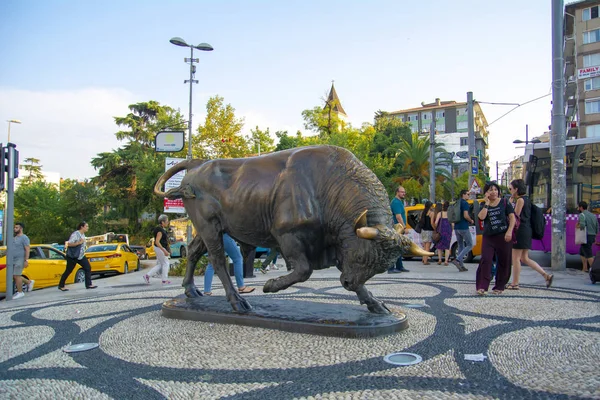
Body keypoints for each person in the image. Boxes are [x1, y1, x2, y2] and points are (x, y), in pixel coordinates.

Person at [507, 179, 553, 289]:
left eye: (511, 188)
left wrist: (510, 203)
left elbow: (515, 216)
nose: (510, 190)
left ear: (516, 189)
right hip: (527, 230)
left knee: (516, 258)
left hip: (520, 231)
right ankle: (546, 275)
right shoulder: (527, 199)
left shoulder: (520, 200)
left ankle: (515, 283)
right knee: (524, 258)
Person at [475, 182, 515, 295]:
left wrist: (509, 231)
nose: (493, 192)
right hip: (489, 236)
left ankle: (499, 286)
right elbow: (481, 217)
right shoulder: (484, 204)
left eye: (495, 189)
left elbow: (512, 218)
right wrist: (487, 204)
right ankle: (483, 286)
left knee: (504, 261)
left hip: (503, 235)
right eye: (490, 190)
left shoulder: (504, 202)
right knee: (486, 259)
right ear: (486, 193)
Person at [58, 221, 97, 291]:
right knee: (68, 270)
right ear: (82, 227)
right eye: (86, 226)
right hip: (73, 256)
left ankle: (89, 284)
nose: (87, 228)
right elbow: (69, 244)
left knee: (87, 267)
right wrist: (79, 242)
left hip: (81, 256)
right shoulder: (76, 234)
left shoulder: (83, 235)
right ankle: (61, 285)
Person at [144, 214, 172, 285]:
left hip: (158, 248)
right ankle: (164, 280)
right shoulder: (159, 230)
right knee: (166, 263)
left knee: (160, 264)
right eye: (167, 221)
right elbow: (157, 241)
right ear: (162, 222)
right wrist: (164, 250)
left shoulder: (160, 229)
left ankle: (147, 275)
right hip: (160, 248)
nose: (167, 223)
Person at [388, 186, 409, 273]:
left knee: (399, 247)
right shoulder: (396, 202)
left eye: (404, 192)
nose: (403, 193)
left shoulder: (399, 202)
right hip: (397, 228)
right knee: (394, 247)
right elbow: (398, 216)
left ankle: (399, 266)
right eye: (402, 192)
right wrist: (404, 227)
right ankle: (391, 268)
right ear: (397, 192)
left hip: (398, 229)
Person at [451, 190, 473, 272]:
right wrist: (471, 220)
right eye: (468, 194)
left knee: (460, 245)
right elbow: (466, 215)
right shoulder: (465, 203)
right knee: (470, 244)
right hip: (464, 226)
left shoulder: (457, 202)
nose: (469, 196)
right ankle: (458, 259)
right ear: (463, 195)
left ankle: (461, 265)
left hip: (457, 227)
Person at [11, 223, 33, 299]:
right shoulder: (15, 238)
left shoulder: (24, 238)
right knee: (14, 276)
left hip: (20, 259)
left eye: (16, 227)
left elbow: (27, 249)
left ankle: (20, 292)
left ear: (21, 228)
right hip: (13, 259)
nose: (15, 229)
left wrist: (26, 260)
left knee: (16, 275)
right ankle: (29, 282)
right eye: (14, 227)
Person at [577, 201, 599, 273]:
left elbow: (582, 226)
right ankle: (585, 268)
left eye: (579, 207)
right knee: (582, 251)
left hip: (586, 236)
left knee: (589, 254)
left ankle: (595, 271)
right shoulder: (593, 215)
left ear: (581, 207)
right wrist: (595, 236)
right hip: (592, 236)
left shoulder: (582, 215)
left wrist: (578, 225)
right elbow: (597, 227)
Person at [433, 201, 453, 266]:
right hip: (448, 231)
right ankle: (446, 261)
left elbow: (436, 222)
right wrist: (451, 229)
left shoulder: (440, 213)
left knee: (439, 246)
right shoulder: (450, 214)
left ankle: (439, 260)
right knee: (447, 246)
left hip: (440, 231)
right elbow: (452, 224)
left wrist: (436, 228)